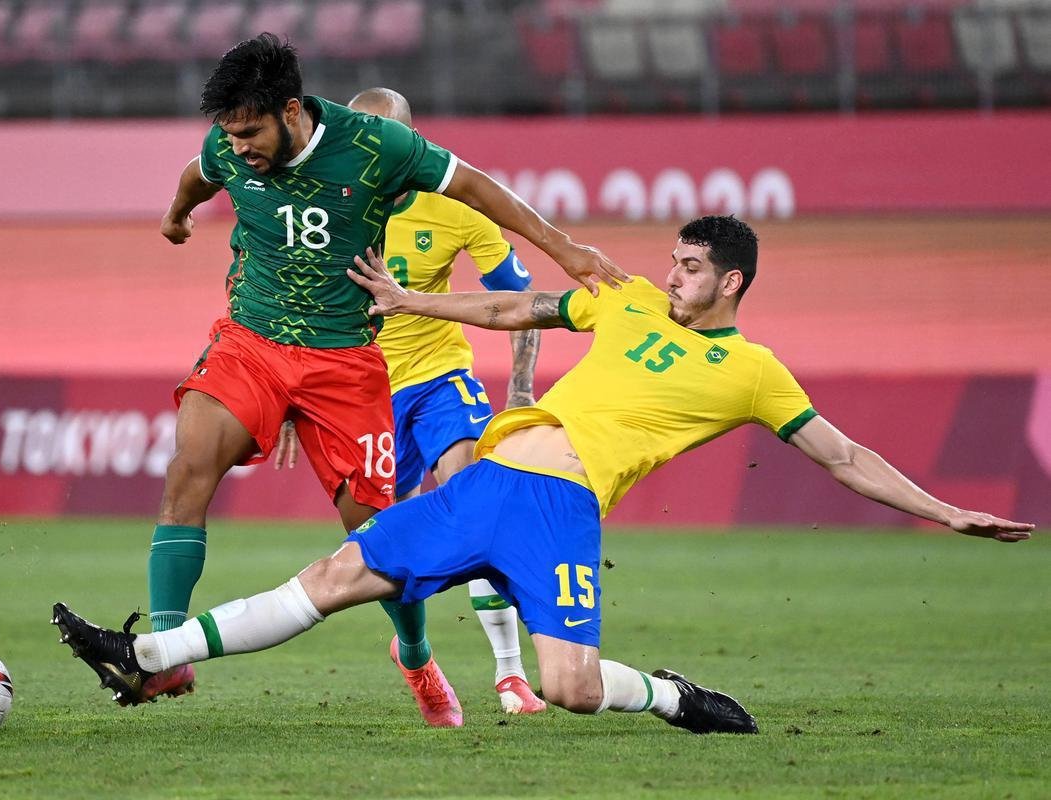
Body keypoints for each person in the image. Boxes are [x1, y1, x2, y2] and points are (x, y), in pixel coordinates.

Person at [52, 215, 1033, 733]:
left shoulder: (753, 370)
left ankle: (670, 697)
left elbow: (844, 454)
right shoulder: (630, 301)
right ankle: (137, 656)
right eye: (674, 260)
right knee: (330, 579)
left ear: (731, 281)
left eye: (690, 265)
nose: (672, 272)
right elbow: (516, 314)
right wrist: (407, 296)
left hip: (562, 511)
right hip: (484, 480)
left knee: (566, 686)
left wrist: (943, 510)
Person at [135, 34, 626, 727]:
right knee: (189, 464)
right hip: (251, 339)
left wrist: (567, 249)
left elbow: (482, 190)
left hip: (346, 361)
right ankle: (162, 648)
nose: (238, 146)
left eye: (250, 132)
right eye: (229, 133)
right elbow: (198, 172)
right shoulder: (227, 147)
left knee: (380, 533)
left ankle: (417, 654)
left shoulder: (376, 147)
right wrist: (177, 214)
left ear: (292, 111)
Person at [273, 87, 545, 715]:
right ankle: (417, 656)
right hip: (359, 393)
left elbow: (522, 303)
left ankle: (510, 674)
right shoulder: (316, 205)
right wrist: (289, 394)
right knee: (385, 541)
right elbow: (289, 304)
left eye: (380, 140)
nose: (364, 152)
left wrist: (523, 384)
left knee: (476, 497)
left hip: (441, 378)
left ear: (407, 143)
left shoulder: (456, 208)